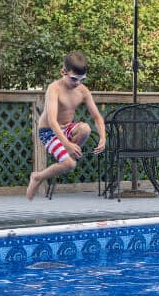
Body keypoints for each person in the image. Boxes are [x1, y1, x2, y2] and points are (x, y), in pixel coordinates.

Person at [26, 51, 107, 201]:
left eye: (82, 79)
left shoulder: (83, 90)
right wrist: (67, 144)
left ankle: (66, 159)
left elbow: (97, 117)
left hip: (67, 128)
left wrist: (103, 137)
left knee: (85, 128)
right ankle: (38, 177)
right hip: (49, 132)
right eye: (74, 79)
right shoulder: (54, 88)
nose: (78, 83)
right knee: (70, 165)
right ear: (63, 72)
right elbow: (51, 120)